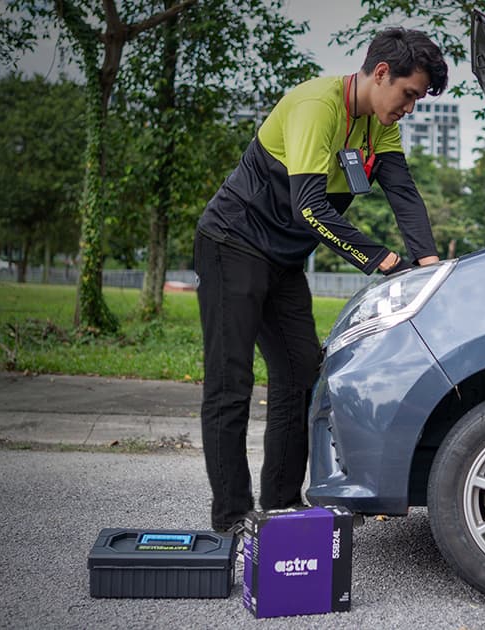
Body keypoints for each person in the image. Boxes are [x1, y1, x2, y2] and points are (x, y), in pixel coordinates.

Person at [193, 27, 448, 533]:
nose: (411, 107)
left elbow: (405, 196)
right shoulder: (317, 105)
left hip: (282, 260)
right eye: (409, 94)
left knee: (300, 375)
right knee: (231, 381)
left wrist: (429, 264)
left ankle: (281, 507)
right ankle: (232, 517)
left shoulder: (379, 126)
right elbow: (308, 206)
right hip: (232, 245)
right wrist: (383, 261)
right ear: (381, 74)